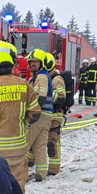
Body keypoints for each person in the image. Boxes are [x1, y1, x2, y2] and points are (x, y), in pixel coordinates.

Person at [0, 40, 39, 192]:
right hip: (17, 147)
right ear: (11, 60)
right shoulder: (24, 85)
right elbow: (35, 114)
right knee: (17, 186)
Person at [26, 50, 63, 181]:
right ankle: (40, 174)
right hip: (46, 115)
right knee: (39, 146)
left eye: (35, 62)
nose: (32, 64)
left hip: (39, 115)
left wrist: (30, 113)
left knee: (25, 143)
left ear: (42, 62)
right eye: (31, 62)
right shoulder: (43, 75)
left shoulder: (41, 76)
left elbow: (40, 97)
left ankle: (21, 174)